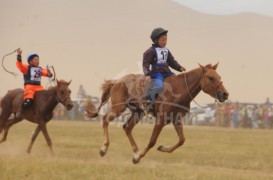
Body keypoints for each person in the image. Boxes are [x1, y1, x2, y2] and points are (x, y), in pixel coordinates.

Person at [142, 28, 186, 110]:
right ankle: (148, 100)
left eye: (166, 40)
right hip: (157, 72)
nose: (165, 42)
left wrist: (179, 67)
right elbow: (146, 63)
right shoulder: (150, 51)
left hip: (167, 71)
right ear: (155, 40)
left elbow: (172, 61)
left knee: (177, 82)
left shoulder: (166, 51)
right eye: (162, 40)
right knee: (158, 85)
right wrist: (147, 74)